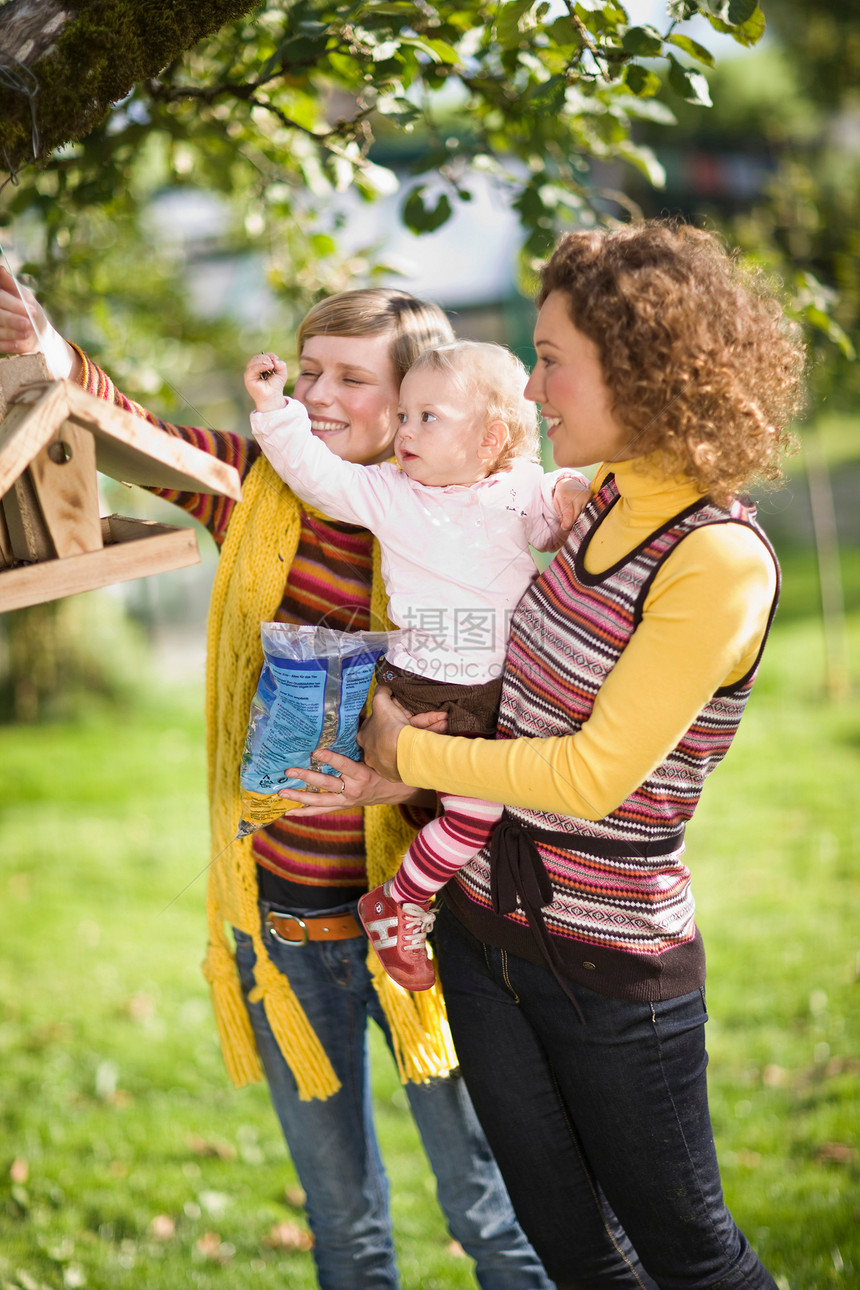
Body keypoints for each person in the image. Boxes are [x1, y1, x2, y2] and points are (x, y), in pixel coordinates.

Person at [0, 268, 555, 1290]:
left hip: (425, 929)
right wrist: (41, 348)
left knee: (490, 1214)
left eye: (352, 378)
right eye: (309, 375)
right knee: (342, 1229)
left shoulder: (476, 532)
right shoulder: (258, 488)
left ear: (416, 397)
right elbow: (132, 430)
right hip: (287, 928)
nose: (322, 397)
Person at [354, 222, 807, 1289]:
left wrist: (411, 749)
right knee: (571, 1252)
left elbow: (592, 774)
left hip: (609, 969)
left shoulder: (713, 559)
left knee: (688, 1258)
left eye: (551, 359)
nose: (534, 387)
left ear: (642, 368)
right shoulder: (588, 501)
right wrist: (398, 760)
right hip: (475, 929)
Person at [244, 339, 591, 991]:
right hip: (430, 692)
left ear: (491, 439)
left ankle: (449, 916)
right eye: (403, 415)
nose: (405, 430)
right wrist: (274, 409)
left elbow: (554, 519)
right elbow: (319, 476)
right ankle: (399, 900)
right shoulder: (391, 493)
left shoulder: (519, 488)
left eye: (426, 418)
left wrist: (571, 491)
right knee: (474, 814)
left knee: (497, 813)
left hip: (506, 695)